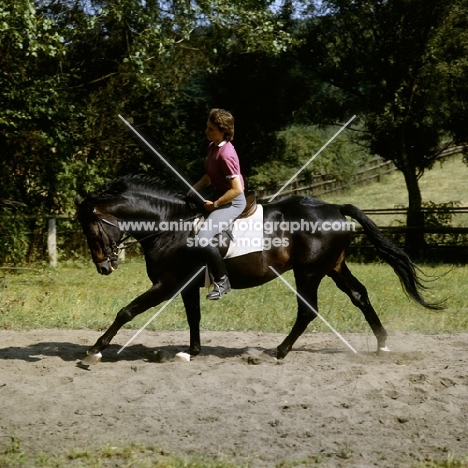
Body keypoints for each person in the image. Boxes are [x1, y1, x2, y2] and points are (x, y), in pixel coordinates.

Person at [188, 108, 246, 300]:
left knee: (203, 237)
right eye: (207, 127)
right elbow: (209, 176)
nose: (206, 131)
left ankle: (222, 282)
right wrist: (193, 190)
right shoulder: (213, 146)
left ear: (223, 131)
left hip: (232, 203)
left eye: (211, 129)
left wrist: (215, 204)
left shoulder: (226, 154)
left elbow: (237, 189)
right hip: (219, 196)